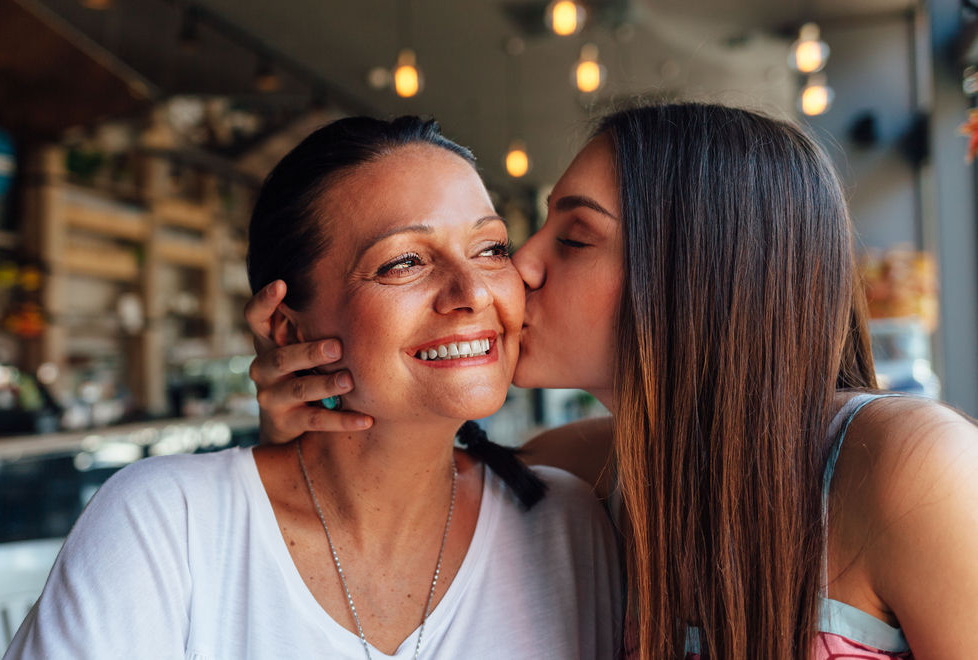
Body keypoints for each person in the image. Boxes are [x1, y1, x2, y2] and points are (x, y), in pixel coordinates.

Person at [245, 103, 978, 659]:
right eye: (519, 238)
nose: (519, 268)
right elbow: (384, 500)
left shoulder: (911, 469)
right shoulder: (572, 475)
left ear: (699, 274)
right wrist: (306, 428)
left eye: (573, 238)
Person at [5, 117, 622, 659]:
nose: (473, 292)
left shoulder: (567, 525)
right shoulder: (170, 525)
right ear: (287, 326)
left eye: (490, 248)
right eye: (404, 262)